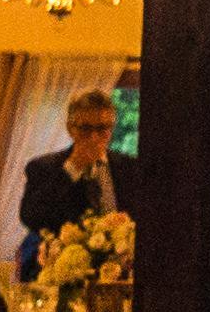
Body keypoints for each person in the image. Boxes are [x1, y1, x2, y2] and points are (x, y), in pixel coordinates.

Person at [17, 89, 129, 273]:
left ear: (111, 129)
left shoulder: (129, 167)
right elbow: (31, 217)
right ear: (71, 128)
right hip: (64, 270)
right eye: (85, 128)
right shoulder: (43, 167)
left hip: (119, 270)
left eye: (102, 129)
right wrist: (73, 168)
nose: (94, 137)